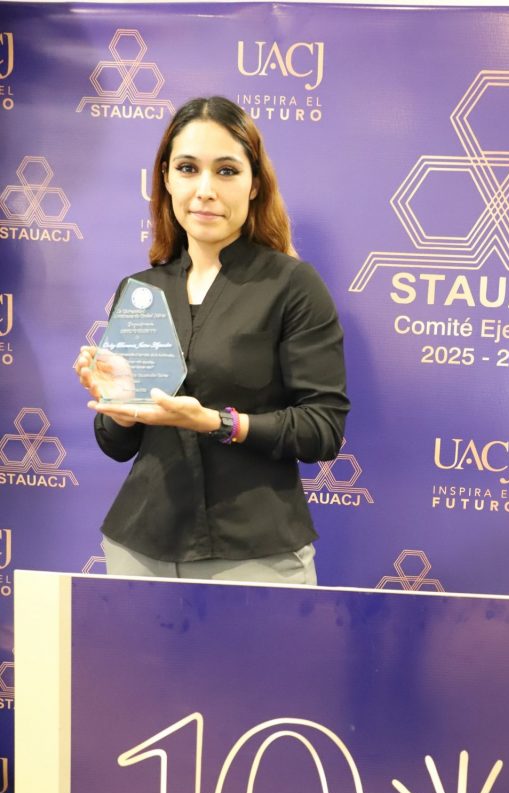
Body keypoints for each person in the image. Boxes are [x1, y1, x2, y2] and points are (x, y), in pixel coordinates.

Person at [76, 96, 349, 584]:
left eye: (226, 171)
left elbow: (322, 429)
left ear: (254, 183)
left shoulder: (292, 285)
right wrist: (118, 410)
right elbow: (117, 446)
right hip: (140, 550)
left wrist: (217, 422)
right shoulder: (141, 291)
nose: (205, 190)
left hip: (255, 554)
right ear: (166, 178)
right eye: (188, 169)